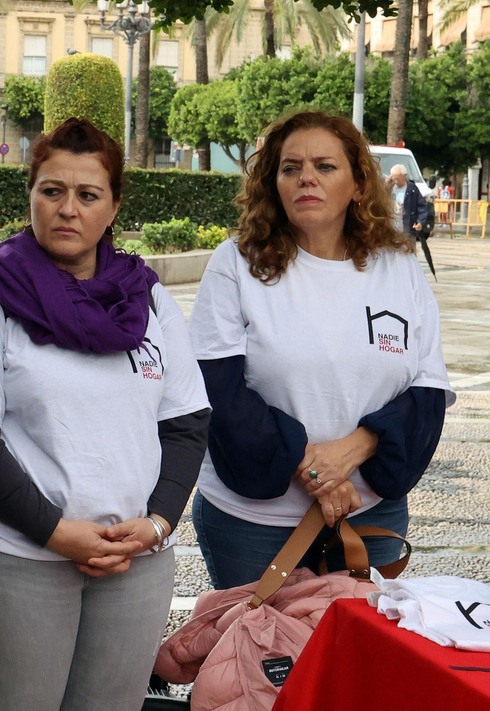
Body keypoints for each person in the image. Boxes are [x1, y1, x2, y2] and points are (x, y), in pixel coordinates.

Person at [0, 118, 210, 711]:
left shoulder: (147, 301)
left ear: (115, 204)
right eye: (51, 190)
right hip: (20, 556)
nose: (68, 209)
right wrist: (56, 532)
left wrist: (156, 525)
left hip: (134, 560)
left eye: (88, 194)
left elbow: (185, 423)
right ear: (29, 195)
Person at [190, 110, 453, 590]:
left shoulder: (398, 267)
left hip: (369, 512)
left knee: (355, 658)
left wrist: (353, 451)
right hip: (253, 524)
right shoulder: (235, 264)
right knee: (262, 660)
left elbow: (428, 388)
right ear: (274, 183)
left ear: (357, 185)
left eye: (325, 166)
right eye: (290, 168)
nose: (305, 177)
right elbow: (217, 391)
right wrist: (315, 468)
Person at [389, 163, 435, 276]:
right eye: (393, 178)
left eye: (397, 178)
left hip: (407, 227)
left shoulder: (412, 189)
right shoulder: (389, 188)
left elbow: (423, 207)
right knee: (391, 254)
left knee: (409, 253)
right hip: (391, 228)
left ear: (404, 176)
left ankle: (410, 275)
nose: (395, 181)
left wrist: (420, 222)